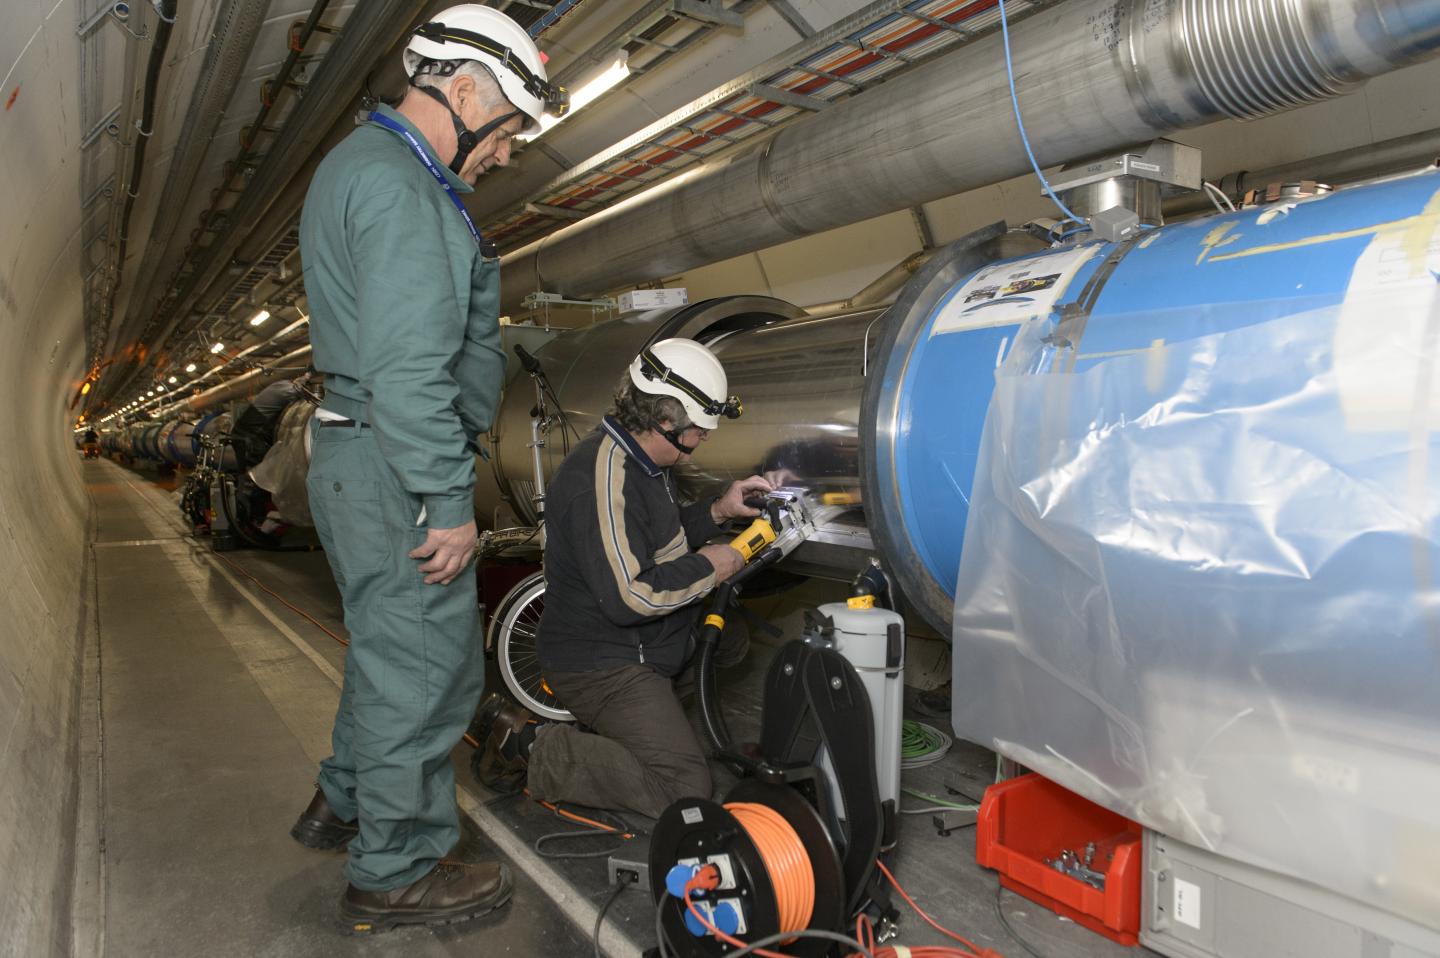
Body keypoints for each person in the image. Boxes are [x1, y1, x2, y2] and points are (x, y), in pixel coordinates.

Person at [288, 5, 566, 934]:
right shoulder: (404, 191)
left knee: (384, 653)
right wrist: (450, 503)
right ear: (467, 91)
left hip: (358, 446)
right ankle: (396, 868)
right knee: (427, 673)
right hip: (391, 464)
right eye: (512, 126)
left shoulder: (361, 165)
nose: (509, 150)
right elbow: (409, 369)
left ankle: (346, 799)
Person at [473, 339, 773, 817]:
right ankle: (529, 746)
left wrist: (719, 510)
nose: (704, 440)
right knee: (684, 786)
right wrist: (714, 565)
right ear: (666, 424)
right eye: (700, 431)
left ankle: (640, 725)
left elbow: (656, 538)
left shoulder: (646, 461)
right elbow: (631, 596)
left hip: (641, 640)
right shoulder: (603, 479)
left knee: (731, 639)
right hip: (600, 660)